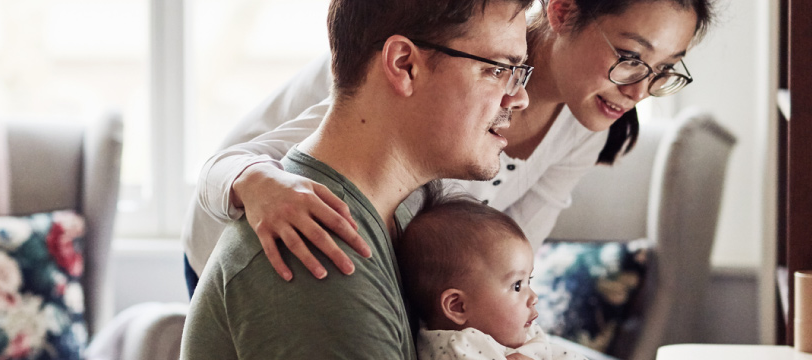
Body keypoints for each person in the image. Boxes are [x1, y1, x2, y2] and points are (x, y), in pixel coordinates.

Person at [184, 0, 717, 290]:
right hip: (235, 232)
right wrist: (257, 183)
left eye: (665, 71)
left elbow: (506, 255)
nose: (639, 90)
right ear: (561, 9)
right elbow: (224, 165)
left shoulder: (584, 120)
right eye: (630, 55)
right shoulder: (442, 66)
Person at [180, 0, 534, 358]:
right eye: (498, 70)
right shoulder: (317, 256)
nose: (519, 97)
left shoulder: (412, 207)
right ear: (404, 65)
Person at [397, 189, 586, 360]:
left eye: (529, 280)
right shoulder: (460, 348)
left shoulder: (514, 331)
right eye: (517, 285)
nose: (534, 297)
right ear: (458, 306)